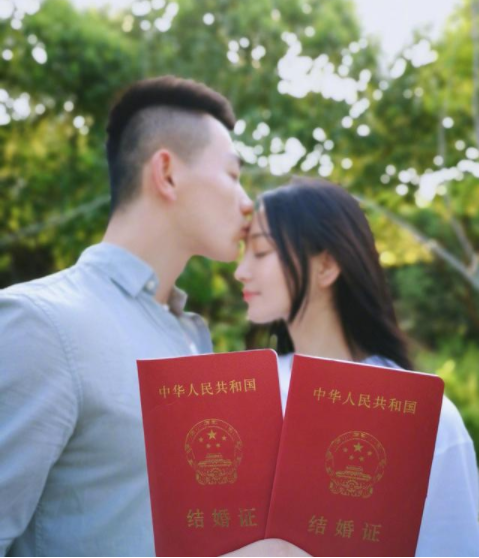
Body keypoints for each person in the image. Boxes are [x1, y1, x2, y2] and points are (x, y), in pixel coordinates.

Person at [0, 76, 303, 557]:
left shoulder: (190, 336)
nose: (248, 203)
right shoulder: (41, 325)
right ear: (166, 173)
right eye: (232, 174)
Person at [235, 177, 479, 557]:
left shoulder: (422, 418)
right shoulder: (239, 396)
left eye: (261, 251)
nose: (241, 271)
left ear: (327, 265)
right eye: (243, 251)